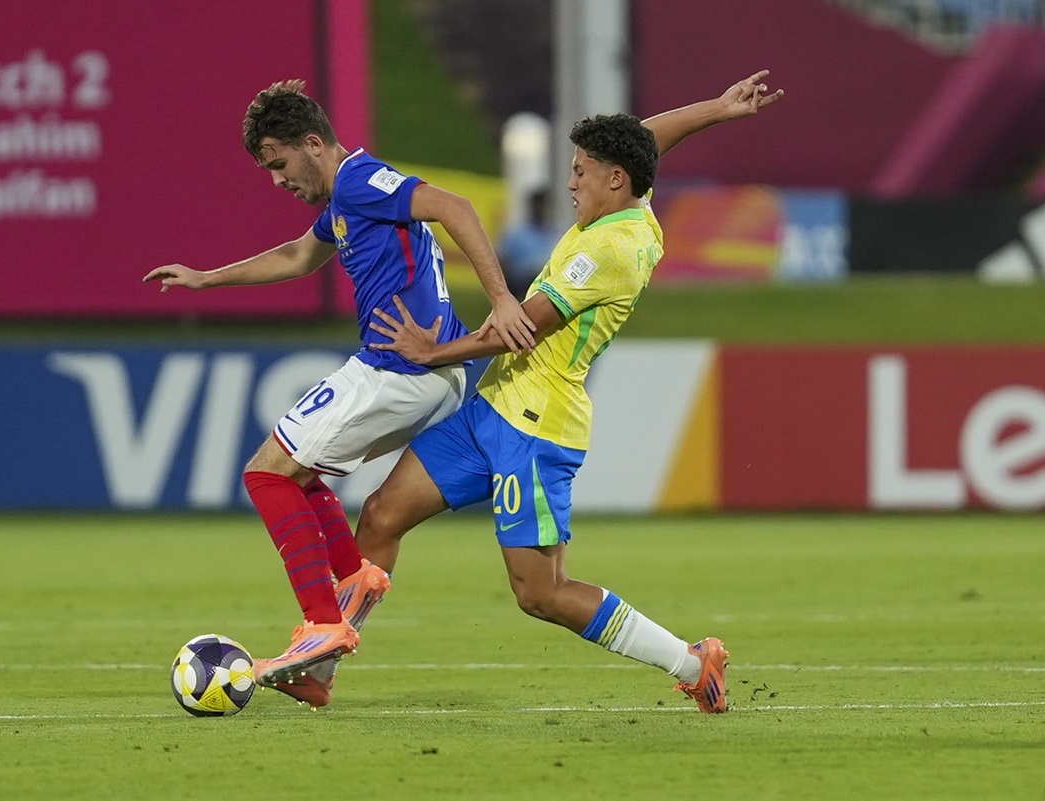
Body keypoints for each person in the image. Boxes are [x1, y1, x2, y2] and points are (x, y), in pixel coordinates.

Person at [328, 72, 784, 714]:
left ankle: (692, 661)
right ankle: (321, 662)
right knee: (379, 515)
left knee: (540, 593)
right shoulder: (630, 200)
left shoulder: (611, 249)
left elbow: (518, 330)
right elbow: (645, 140)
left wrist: (432, 352)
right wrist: (719, 108)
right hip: (493, 408)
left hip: (536, 429)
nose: (569, 183)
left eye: (578, 171)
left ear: (614, 180)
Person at [142, 80, 536, 706]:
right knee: (298, 475)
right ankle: (349, 594)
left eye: (279, 164)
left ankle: (324, 623)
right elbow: (300, 255)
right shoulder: (344, 205)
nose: (277, 181)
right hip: (435, 376)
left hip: (394, 368)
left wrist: (501, 299)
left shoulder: (359, 179)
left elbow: (457, 207)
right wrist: (205, 279)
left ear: (313, 142)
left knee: (266, 476)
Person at [498, 188, 563, 299]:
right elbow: (503, 261)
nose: (542, 210)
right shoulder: (516, 234)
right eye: (539, 206)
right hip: (522, 285)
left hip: (551, 285)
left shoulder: (557, 233)